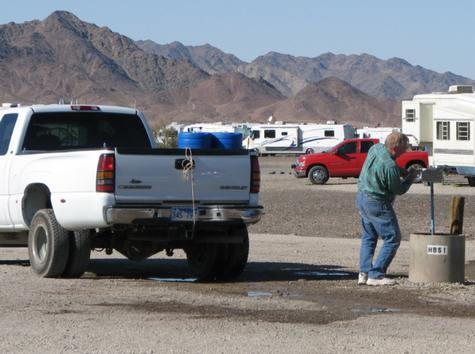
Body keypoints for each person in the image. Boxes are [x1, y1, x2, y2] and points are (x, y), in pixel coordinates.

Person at [357, 132, 418, 286]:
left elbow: (387, 166)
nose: (405, 152)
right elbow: (399, 189)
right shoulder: (390, 166)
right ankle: (376, 275)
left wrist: (401, 171)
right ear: (395, 148)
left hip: (362, 198)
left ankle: (364, 273)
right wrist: (410, 177)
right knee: (393, 237)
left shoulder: (376, 148)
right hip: (377, 202)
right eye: (404, 149)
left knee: (369, 236)